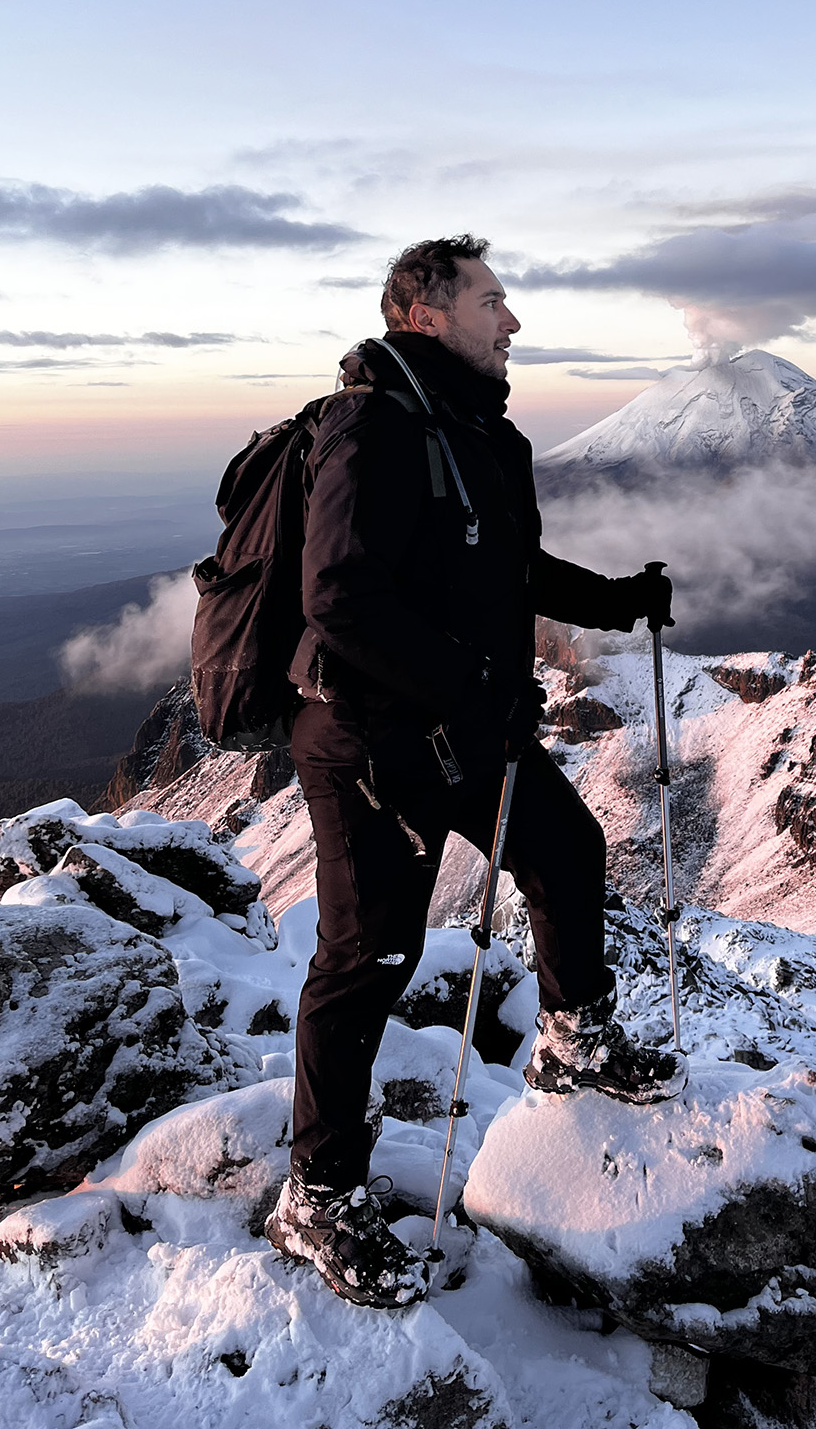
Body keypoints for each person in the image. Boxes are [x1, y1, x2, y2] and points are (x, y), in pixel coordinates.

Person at [264, 234, 681, 1308]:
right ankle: (316, 1192)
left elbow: (510, 569)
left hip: (458, 726)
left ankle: (573, 1040)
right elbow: (338, 598)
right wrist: (468, 684)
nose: (513, 320)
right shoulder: (371, 427)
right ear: (425, 312)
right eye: (493, 300)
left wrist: (618, 600)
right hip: (368, 740)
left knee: (568, 846)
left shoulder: (480, 432)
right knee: (369, 954)